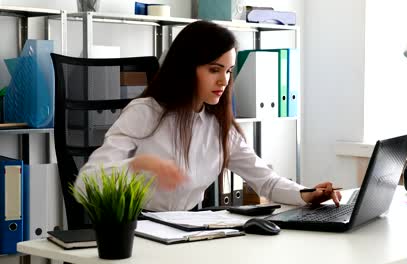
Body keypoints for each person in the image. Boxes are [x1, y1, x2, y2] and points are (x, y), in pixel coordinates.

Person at [76, 20, 342, 211]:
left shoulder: (218, 126)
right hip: (137, 234)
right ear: (186, 67)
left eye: (228, 71)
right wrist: (139, 164)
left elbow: (266, 181)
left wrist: (307, 194)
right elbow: (85, 183)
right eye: (214, 69)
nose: (224, 80)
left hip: (188, 233)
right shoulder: (145, 113)